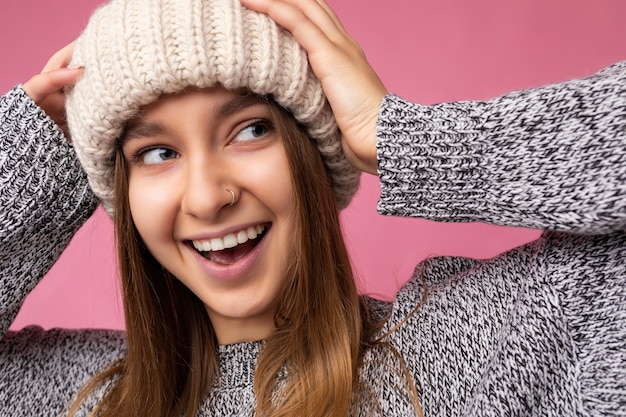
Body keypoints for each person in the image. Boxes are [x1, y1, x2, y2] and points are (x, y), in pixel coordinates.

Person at [1, 0, 625, 416]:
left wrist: (405, 138)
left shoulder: (468, 355)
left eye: (249, 131)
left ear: (314, 152)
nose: (207, 196)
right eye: (157, 152)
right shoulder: (84, 398)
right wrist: (31, 157)